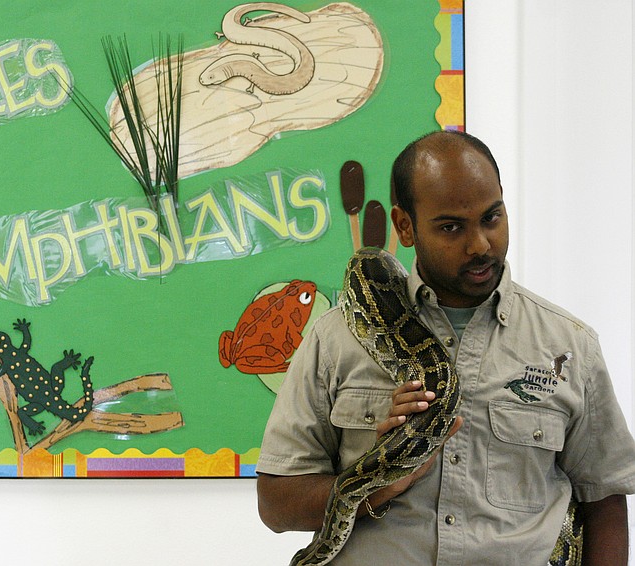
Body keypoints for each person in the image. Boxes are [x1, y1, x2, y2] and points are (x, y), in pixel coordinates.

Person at [256, 131, 635, 564]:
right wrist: (380, 480)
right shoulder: (333, 339)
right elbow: (276, 504)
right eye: (451, 227)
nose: (480, 245)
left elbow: (603, 499)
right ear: (405, 226)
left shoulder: (570, 346)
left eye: (492, 218)